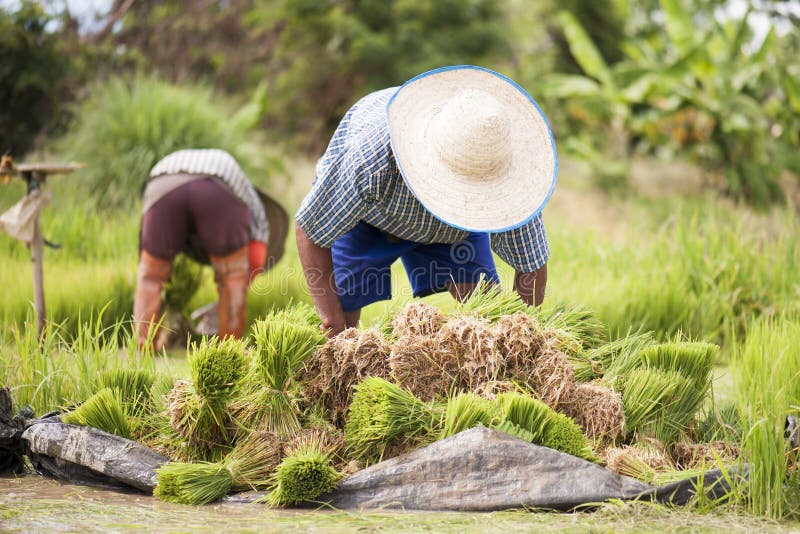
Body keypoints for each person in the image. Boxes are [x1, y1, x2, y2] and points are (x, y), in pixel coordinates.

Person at [295, 65, 557, 337]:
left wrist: (521, 340)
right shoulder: (370, 159)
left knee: (487, 324)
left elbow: (531, 265)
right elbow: (310, 230)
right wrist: (332, 322)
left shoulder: (511, 184)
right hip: (368, 218)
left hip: (454, 232)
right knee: (342, 331)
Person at [133, 148, 280, 350]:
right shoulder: (254, 205)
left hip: (162, 185)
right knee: (232, 278)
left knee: (150, 277)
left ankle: (143, 349)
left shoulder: (176, 161)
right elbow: (256, 254)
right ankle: (229, 353)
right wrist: (238, 282)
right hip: (217, 188)